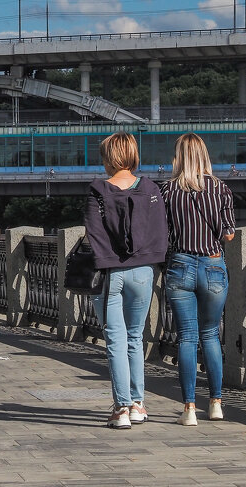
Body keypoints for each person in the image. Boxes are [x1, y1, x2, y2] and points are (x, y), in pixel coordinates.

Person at [83, 132, 169, 430]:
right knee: (135, 337)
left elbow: (95, 233)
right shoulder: (151, 189)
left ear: (108, 158)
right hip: (143, 272)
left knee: (115, 341)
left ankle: (120, 409)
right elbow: (160, 231)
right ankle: (138, 404)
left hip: (109, 274)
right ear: (132, 154)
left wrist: (108, 261)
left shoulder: (98, 191)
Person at [160, 133, 236, 426]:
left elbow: (163, 235)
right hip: (213, 266)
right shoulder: (220, 189)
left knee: (187, 339)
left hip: (180, 265)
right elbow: (228, 234)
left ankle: (189, 409)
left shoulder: (167, 191)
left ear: (178, 157)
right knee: (211, 335)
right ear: (205, 155)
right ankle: (216, 403)